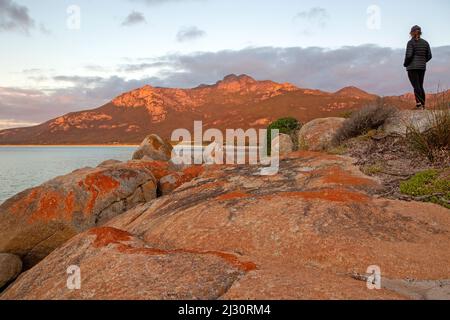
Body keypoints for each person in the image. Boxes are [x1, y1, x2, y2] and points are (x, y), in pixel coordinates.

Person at [403, 25, 432, 110]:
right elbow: (429, 56)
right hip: (422, 67)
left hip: (412, 67)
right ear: (420, 32)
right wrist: (422, 62)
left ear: (411, 33)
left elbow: (409, 55)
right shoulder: (425, 42)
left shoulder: (410, 43)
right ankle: (422, 105)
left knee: (416, 86)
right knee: (420, 86)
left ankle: (419, 105)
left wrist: (405, 64)